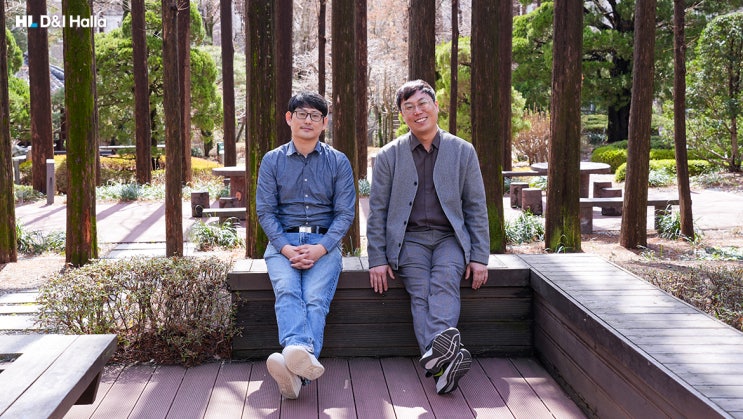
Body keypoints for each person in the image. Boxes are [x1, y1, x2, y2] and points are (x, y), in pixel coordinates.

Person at [366, 79, 490, 395]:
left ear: (435, 106)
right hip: (409, 240)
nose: (417, 111)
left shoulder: (462, 151)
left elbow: (476, 206)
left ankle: (438, 363)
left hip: (450, 238)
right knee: (420, 291)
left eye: (422, 103)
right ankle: (444, 366)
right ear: (402, 115)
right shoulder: (388, 156)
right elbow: (377, 211)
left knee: (445, 282)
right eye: (409, 107)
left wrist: (479, 257)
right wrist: (377, 259)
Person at [256, 92, 356, 399]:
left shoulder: (338, 162)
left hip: (324, 244)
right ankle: (300, 361)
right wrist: (287, 249)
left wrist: (321, 248)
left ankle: (295, 366)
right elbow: (265, 212)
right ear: (289, 118)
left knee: (314, 298)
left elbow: (345, 213)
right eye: (301, 114)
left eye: (315, 116)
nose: (308, 120)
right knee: (287, 290)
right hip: (282, 244)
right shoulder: (272, 161)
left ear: (324, 123)